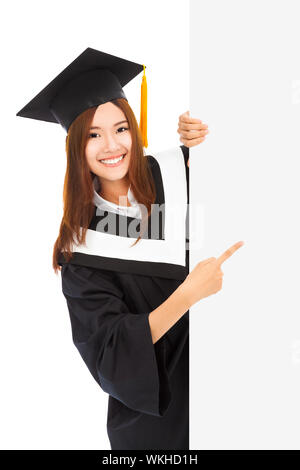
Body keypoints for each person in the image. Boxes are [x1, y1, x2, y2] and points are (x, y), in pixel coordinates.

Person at [16, 47, 243, 450]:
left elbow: (250, 164)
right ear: (75, 146)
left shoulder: (177, 173)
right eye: (93, 134)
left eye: (121, 128)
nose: (111, 145)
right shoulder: (80, 251)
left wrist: (208, 130)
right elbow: (111, 355)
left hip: (233, 384)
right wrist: (189, 294)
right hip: (158, 423)